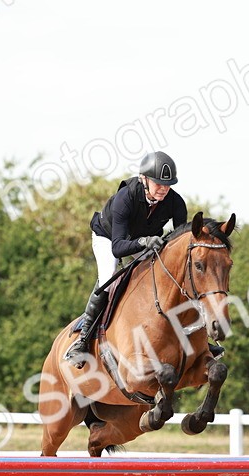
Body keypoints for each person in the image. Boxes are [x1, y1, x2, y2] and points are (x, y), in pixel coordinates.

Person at [62, 151, 189, 369]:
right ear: (143, 179)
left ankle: (192, 333)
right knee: (108, 279)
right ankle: (82, 340)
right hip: (109, 238)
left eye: (168, 185)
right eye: (158, 183)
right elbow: (118, 248)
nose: (164, 189)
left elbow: (181, 240)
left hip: (144, 240)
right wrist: (144, 242)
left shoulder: (176, 202)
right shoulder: (126, 197)